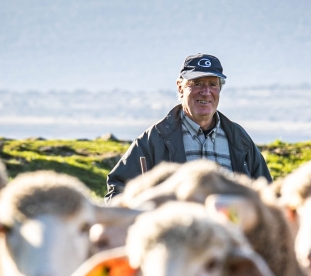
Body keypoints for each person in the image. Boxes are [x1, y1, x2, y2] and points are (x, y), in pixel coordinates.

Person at [106, 53, 272, 200]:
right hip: (176, 234)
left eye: (212, 84)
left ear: (220, 89)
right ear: (180, 87)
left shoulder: (239, 139)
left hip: (230, 234)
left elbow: (266, 193)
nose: (206, 92)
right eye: (197, 83)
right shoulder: (154, 139)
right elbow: (117, 190)